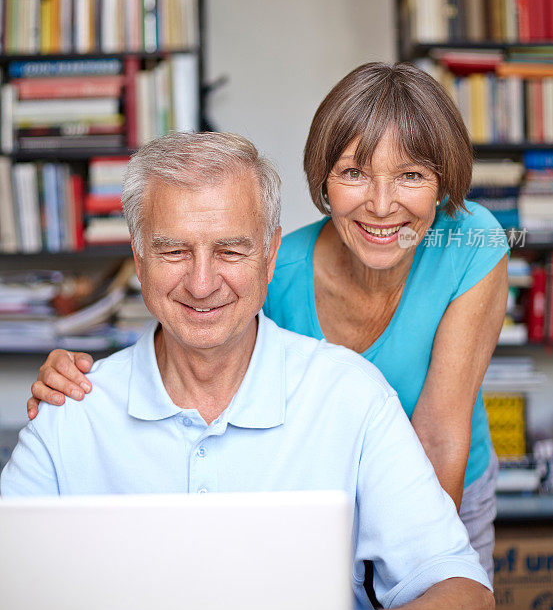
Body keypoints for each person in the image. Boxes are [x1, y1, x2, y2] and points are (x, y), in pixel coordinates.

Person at [27, 62, 508, 581]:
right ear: (323, 178)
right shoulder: (269, 273)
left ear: (442, 183)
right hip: (324, 496)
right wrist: (82, 384)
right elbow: (196, 352)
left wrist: (417, 560)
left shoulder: (471, 245)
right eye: (354, 173)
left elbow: (439, 435)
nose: (382, 205)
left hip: (443, 479)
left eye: (411, 175)